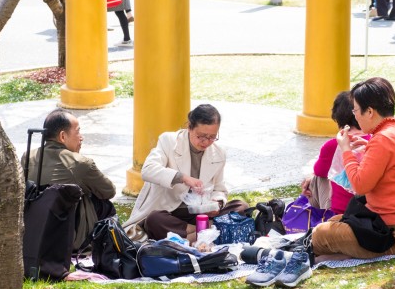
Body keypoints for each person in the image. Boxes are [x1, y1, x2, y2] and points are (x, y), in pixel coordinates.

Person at [312, 77, 395, 259]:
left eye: (356, 110)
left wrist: (346, 150)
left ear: (369, 112)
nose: (355, 116)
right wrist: (368, 148)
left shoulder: (383, 139)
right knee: (335, 221)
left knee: (320, 234)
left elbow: (360, 186)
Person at [124, 104, 249, 243]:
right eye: (201, 136)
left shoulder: (219, 152)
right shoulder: (169, 141)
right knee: (154, 220)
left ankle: (192, 236)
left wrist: (217, 203)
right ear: (189, 127)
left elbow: (219, 189)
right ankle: (207, 233)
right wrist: (182, 178)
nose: (206, 142)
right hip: (171, 212)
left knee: (241, 206)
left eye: (212, 137)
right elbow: (148, 170)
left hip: (201, 213)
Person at [22, 109, 117, 251]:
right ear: (62, 136)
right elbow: (109, 191)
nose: (81, 137)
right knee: (104, 205)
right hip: (68, 237)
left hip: (34, 233)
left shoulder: (27, 156)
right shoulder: (80, 164)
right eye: (78, 131)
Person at [301, 91, 364, 214]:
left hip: (342, 211)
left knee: (317, 178)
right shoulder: (376, 139)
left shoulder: (333, 145)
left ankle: (314, 216)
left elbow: (320, 172)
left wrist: (312, 177)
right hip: (373, 208)